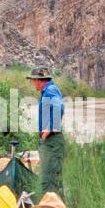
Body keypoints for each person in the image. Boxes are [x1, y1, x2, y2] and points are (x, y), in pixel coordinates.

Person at [29, 67, 65, 195]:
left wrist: (49, 129)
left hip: (52, 141)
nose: (32, 83)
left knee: (48, 181)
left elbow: (59, 106)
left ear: (39, 80)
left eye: (32, 80)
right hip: (52, 141)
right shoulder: (48, 90)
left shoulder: (50, 90)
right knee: (54, 179)